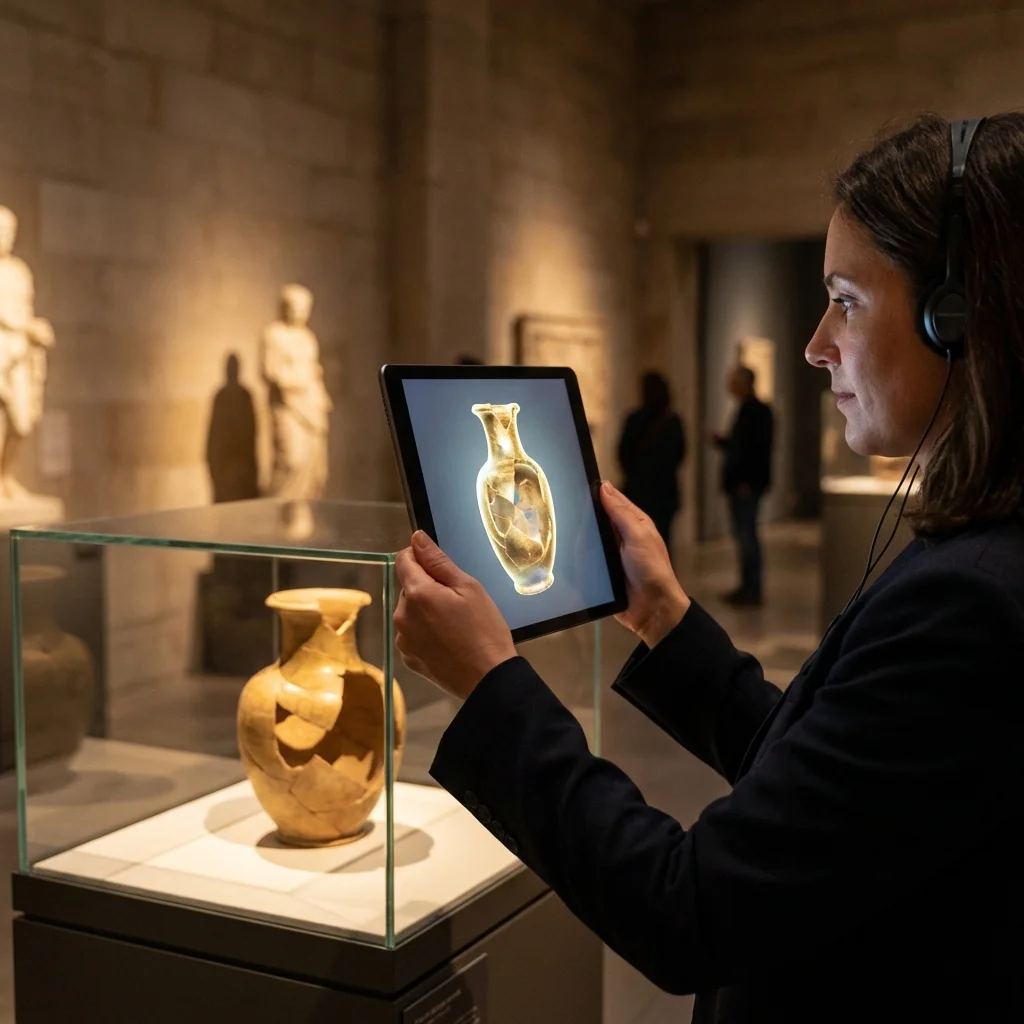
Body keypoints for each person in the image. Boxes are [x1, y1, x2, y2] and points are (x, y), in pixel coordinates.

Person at [392, 112, 1024, 1022]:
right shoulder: (982, 550)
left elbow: (690, 908)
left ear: (955, 316)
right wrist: (667, 621)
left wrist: (492, 686)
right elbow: (834, 796)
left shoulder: (974, 599)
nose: (816, 344)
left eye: (846, 299)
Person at [707, 365, 773, 606]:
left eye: (733, 381)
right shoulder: (746, 410)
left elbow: (757, 451)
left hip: (746, 486)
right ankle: (746, 587)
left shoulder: (758, 412)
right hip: (739, 485)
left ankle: (752, 590)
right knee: (743, 536)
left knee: (747, 537)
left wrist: (748, 481)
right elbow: (740, 448)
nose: (729, 385)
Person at [617, 371, 687, 555]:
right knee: (663, 543)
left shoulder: (634, 419)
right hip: (665, 493)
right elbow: (679, 455)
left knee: (638, 544)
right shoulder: (673, 421)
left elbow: (623, 453)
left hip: (639, 491)